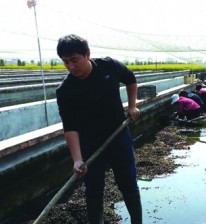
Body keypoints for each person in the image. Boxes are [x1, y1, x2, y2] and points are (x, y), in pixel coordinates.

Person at [55, 34, 142, 224]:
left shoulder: (108, 66)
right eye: (66, 62)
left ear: (87, 54)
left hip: (117, 134)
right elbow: (70, 127)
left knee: (127, 181)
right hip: (90, 142)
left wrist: (132, 105)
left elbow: (130, 78)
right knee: (93, 187)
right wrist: (77, 160)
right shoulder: (65, 91)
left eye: (75, 60)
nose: (71, 67)